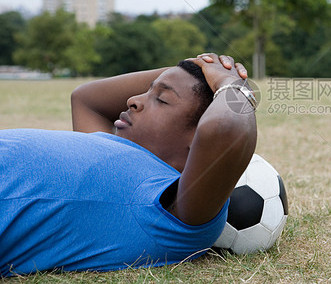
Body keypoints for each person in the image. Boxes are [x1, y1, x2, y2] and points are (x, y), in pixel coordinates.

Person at [0, 53, 257, 277]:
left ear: (196, 139)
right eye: (147, 91)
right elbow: (86, 99)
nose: (133, 99)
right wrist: (197, 66)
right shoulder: (109, 144)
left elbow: (225, 129)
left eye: (162, 99)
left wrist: (230, 83)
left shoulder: (174, 207)